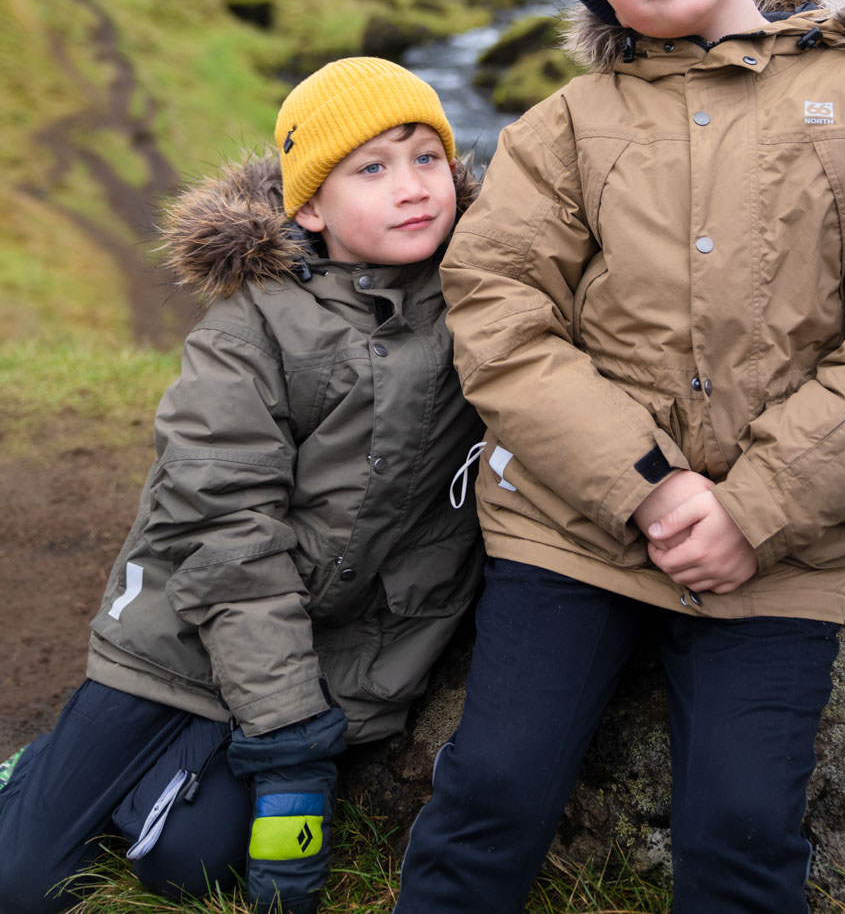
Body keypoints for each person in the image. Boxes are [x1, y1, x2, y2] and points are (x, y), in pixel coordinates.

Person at [393, 0, 845, 914]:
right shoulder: (565, 126)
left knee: (741, 833)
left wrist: (754, 507)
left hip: (784, 547)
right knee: (489, 792)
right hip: (570, 527)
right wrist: (647, 485)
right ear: (601, 0)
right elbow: (496, 305)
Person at [0, 57, 483, 914]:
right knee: (24, 884)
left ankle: (163, 785)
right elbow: (223, 526)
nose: (411, 188)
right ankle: (43, 772)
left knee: (187, 867)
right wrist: (292, 743)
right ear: (307, 207)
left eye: (425, 157)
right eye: (369, 169)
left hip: (340, 655)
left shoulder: (488, 294)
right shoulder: (251, 323)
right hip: (181, 633)